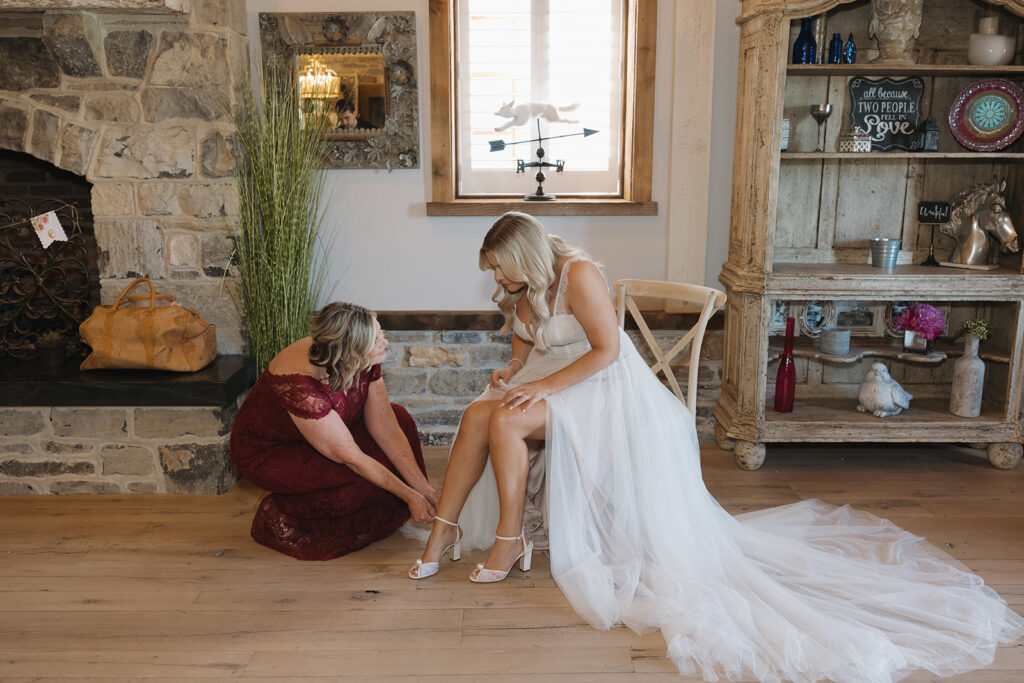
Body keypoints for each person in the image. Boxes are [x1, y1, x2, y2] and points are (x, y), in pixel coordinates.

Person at [409, 211, 1024, 681]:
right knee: (477, 413)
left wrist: (538, 385)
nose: (496, 278)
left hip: (603, 390)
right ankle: (445, 530)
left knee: (507, 424)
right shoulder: (523, 287)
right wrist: (508, 374)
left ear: (524, 254)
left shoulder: (579, 274)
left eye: (499, 267)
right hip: (549, 382)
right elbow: (523, 346)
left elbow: (607, 352)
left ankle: (512, 538)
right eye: (492, 271)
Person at [230, 302, 438, 561]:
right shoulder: (301, 384)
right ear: (352, 354)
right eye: (377, 339)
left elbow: (386, 428)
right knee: (357, 483)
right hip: (272, 451)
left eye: (380, 332)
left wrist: (423, 489)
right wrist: (408, 494)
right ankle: (281, 512)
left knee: (401, 420)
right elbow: (352, 458)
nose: (386, 342)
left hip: (325, 432)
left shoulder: (360, 355)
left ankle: (396, 508)